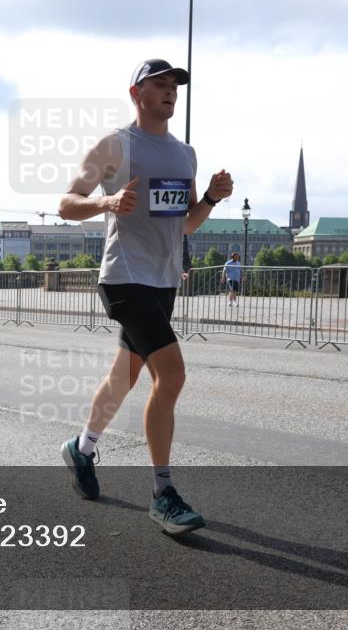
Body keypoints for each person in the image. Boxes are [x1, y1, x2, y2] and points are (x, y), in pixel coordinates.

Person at [57, 59, 233, 535]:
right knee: (171, 375)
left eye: (175, 84)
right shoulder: (115, 145)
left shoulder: (185, 155)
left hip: (162, 281)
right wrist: (106, 202)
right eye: (160, 84)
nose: (171, 91)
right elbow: (67, 202)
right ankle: (163, 493)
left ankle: (82, 448)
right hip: (124, 278)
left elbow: (186, 225)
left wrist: (211, 199)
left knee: (125, 376)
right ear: (137, 93)